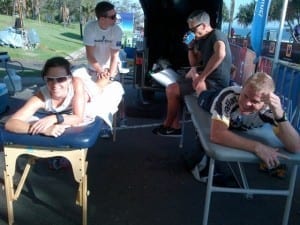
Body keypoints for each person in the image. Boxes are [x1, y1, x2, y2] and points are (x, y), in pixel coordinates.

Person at [152, 10, 232, 137]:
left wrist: (201, 77)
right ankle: (175, 126)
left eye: (194, 29)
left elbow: (220, 54)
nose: (193, 33)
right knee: (175, 86)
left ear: (204, 25)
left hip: (215, 83)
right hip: (206, 79)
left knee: (171, 90)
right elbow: (194, 63)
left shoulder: (217, 35)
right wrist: (190, 47)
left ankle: (167, 125)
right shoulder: (202, 40)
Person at [209, 72, 300, 168]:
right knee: (201, 91)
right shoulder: (230, 95)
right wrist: (257, 147)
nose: (247, 103)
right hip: (210, 100)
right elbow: (216, 134)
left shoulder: (268, 110)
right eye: (245, 96)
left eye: (255, 101)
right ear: (242, 88)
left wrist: (280, 116)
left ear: (264, 104)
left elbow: (295, 147)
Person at [4, 56, 106, 137]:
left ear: (69, 79)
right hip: (71, 86)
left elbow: (78, 118)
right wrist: (43, 129)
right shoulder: (40, 97)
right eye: (50, 79)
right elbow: (10, 124)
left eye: (60, 79)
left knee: (100, 85)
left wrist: (54, 118)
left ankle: (108, 74)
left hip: (83, 90)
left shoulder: (76, 83)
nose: (55, 85)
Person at [83, 1, 124, 137]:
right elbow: (90, 55)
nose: (115, 19)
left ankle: (116, 119)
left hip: (110, 67)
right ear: (102, 18)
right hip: (94, 67)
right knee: (93, 96)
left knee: (112, 93)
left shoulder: (117, 31)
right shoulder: (90, 28)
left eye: (115, 15)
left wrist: (110, 76)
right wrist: (99, 70)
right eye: (112, 17)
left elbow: (114, 55)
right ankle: (92, 122)